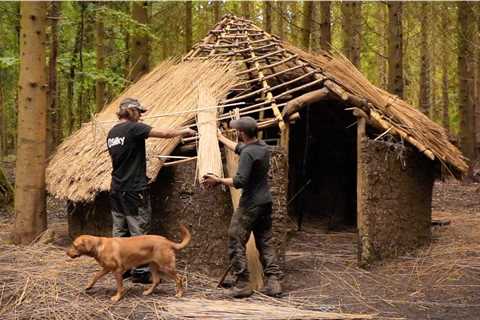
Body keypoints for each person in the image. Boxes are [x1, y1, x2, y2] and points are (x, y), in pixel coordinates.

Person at [106, 98, 195, 283]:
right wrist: (183, 131)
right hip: (134, 189)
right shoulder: (134, 128)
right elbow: (163, 133)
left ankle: (120, 268)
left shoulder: (112, 133)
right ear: (130, 111)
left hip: (116, 188)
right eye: (139, 112)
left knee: (120, 231)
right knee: (139, 231)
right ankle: (141, 272)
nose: (140, 116)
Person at [203, 116, 283, 298]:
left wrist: (218, 180)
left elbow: (240, 181)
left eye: (237, 131)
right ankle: (274, 282)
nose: (236, 133)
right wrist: (221, 138)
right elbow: (241, 148)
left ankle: (242, 284)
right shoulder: (261, 147)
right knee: (265, 241)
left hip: (251, 203)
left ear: (242, 133)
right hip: (265, 202)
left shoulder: (248, 153)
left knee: (235, 239)